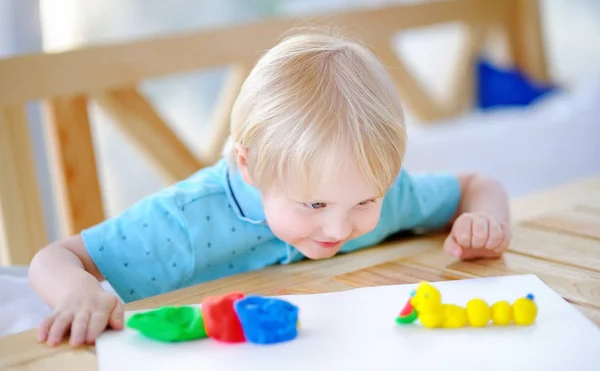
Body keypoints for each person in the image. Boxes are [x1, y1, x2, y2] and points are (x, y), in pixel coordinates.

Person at [28, 32, 510, 348]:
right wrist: (79, 293)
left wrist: (484, 222)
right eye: (315, 204)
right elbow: (56, 257)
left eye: (366, 201)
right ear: (250, 166)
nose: (340, 226)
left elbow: (478, 184)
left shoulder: (387, 195)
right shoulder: (185, 221)